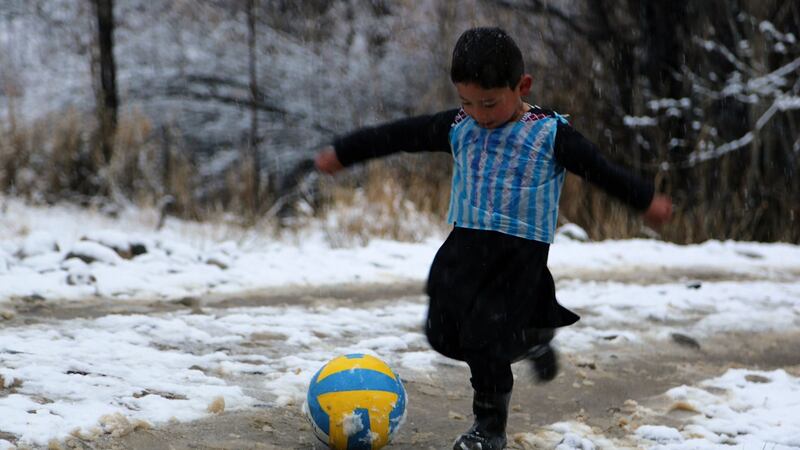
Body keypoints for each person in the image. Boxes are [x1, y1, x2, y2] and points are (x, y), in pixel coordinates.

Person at [315, 27, 672, 450]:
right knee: (441, 332)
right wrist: (345, 151)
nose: (478, 114)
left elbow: (600, 169)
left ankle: (489, 427)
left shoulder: (549, 133)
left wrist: (645, 200)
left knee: (484, 335)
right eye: (467, 101)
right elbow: (398, 135)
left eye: (489, 103)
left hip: (518, 257)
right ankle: (533, 336)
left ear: (521, 86)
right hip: (464, 247)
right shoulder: (459, 126)